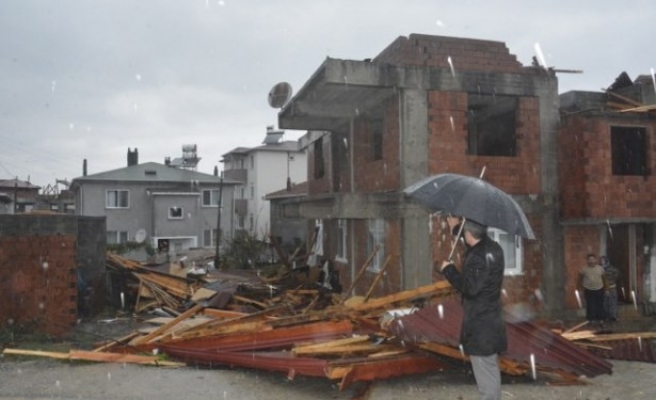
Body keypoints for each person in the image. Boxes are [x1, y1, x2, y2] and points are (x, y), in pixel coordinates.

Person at [437, 216, 507, 400]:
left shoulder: (478, 257)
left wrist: (448, 270)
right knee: (488, 367)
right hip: (490, 318)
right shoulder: (491, 247)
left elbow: (470, 288)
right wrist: (456, 230)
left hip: (481, 323)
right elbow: (473, 246)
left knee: (485, 369)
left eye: (463, 230)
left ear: (469, 233)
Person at [577, 254, 608, 328]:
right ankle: (591, 320)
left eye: (592, 259)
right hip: (589, 290)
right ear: (587, 261)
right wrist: (579, 289)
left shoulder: (600, 269)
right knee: (590, 305)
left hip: (599, 289)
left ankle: (601, 320)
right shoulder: (583, 269)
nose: (591, 261)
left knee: (600, 305)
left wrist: (606, 289)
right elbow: (579, 280)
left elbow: (605, 280)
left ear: (595, 260)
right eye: (589, 259)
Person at [600, 255, 619, 322]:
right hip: (603, 288)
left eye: (603, 260)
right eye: (601, 261)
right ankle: (605, 316)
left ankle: (612, 316)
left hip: (612, 287)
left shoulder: (612, 269)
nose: (602, 262)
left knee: (612, 302)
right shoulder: (600, 269)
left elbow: (616, 275)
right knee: (604, 303)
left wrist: (610, 281)